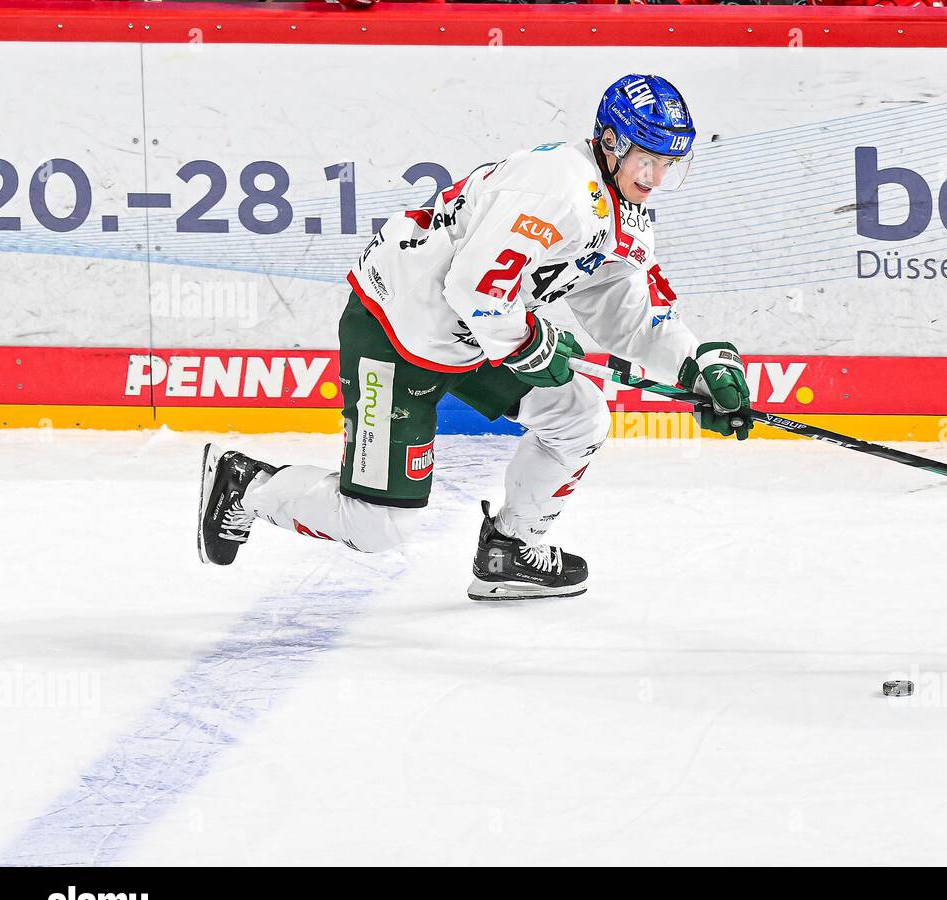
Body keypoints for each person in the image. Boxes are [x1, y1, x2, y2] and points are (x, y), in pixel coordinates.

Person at [197, 74, 752, 600]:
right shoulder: (561, 189)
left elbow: (625, 314)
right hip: (396, 330)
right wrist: (531, 345)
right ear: (610, 142)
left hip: (477, 333)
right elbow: (473, 287)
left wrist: (695, 365)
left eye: (668, 164)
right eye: (645, 159)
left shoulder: (620, 210)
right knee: (378, 526)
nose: (654, 178)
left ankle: (510, 551)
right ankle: (247, 485)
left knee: (578, 414)